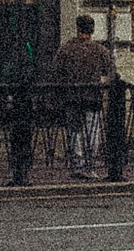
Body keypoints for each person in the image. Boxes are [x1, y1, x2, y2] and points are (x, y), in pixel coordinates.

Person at [45, 13, 117, 179]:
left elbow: (56, 72)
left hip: (72, 97)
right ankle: (90, 164)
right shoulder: (100, 50)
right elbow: (109, 71)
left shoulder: (66, 49)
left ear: (77, 28)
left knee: (74, 131)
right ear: (92, 30)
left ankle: (77, 164)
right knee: (92, 132)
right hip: (92, 97)